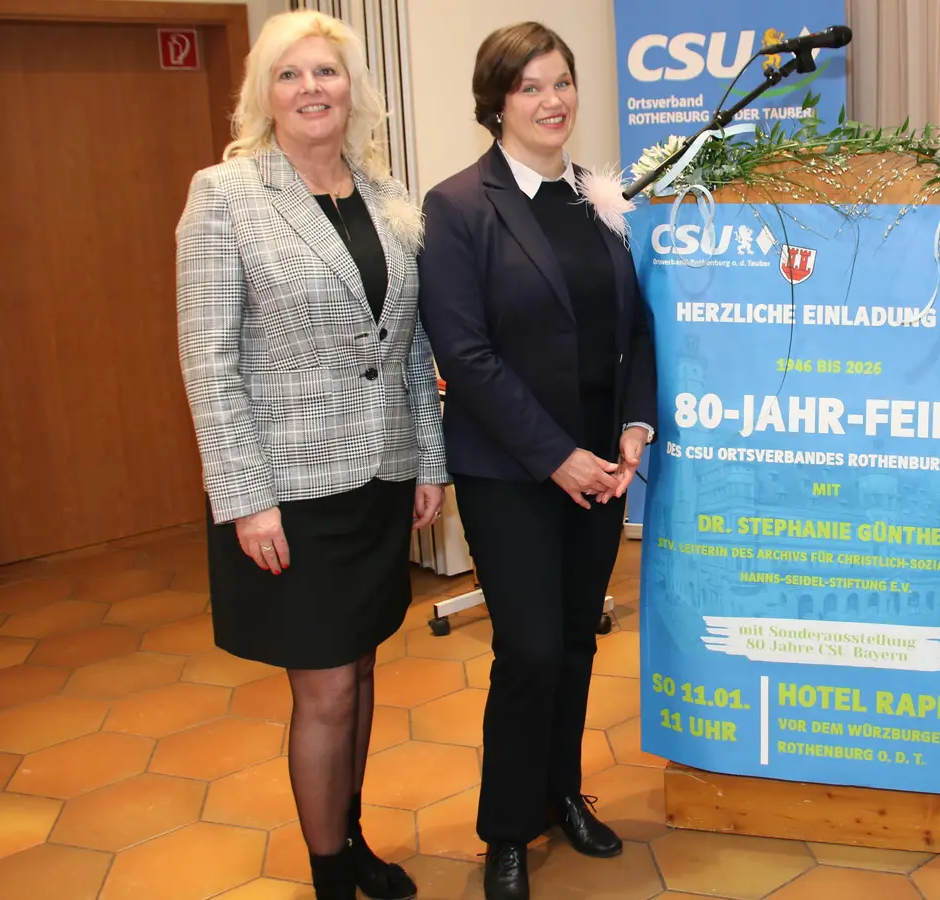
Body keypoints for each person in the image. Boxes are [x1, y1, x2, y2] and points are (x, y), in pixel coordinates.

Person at [175, 10, 447, 900]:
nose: (310, 89)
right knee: (325, 689)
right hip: (288, 493)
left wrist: (428, 460)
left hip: (379, 477)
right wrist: (245, 497)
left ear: (351, 89)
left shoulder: (383, 192)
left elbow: (409, 344)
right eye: (289, 75)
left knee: (361, 668)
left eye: (325, 72)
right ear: (264, 93)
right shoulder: (225, 194)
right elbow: (208, 360)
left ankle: (352, 837)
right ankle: (329, 874)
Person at [415, 21, 657, 900]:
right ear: (496, 103)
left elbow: (635, 325)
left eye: (562, 82)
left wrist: (634, 426)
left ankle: (562, 794)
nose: (553, 101)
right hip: (512, 470)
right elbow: (464, 353)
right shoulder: (457, 206)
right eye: (530, 87)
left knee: (576, 641)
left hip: (602, 464)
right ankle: (507, 829)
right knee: (528, 651)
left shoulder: (597, 195)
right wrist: (559, 457)